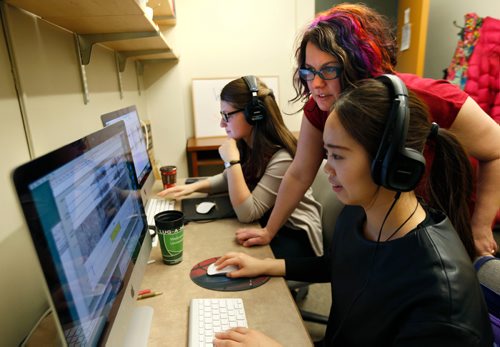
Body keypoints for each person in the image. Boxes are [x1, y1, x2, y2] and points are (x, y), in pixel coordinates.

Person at [212, 77, 493, 346]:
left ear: (390, 162)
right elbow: (340, 264)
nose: (326, 168)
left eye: (337, 155)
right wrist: (266, 265)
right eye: (326, 154)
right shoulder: (359, 214)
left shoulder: (440, 300)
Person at [235, 3, 500, 257]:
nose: (315, 84)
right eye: (308, 71)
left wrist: (480, 227)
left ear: (358, 65)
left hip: (448, 217)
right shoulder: (320, 106)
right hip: (388, 222)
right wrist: (270, 231)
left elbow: (496, 150)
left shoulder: (429, 97)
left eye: (328, 70)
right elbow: (300, 172)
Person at [158, 76, 322, 257]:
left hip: (295, 236)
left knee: (220, 250)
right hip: (268, 224)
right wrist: (191, 187)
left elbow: (247, 213)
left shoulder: (282, 159)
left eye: (227, 115)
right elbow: (227, 178)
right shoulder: (248, 144)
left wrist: (232, 161)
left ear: (254, 114)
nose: (222, 123)